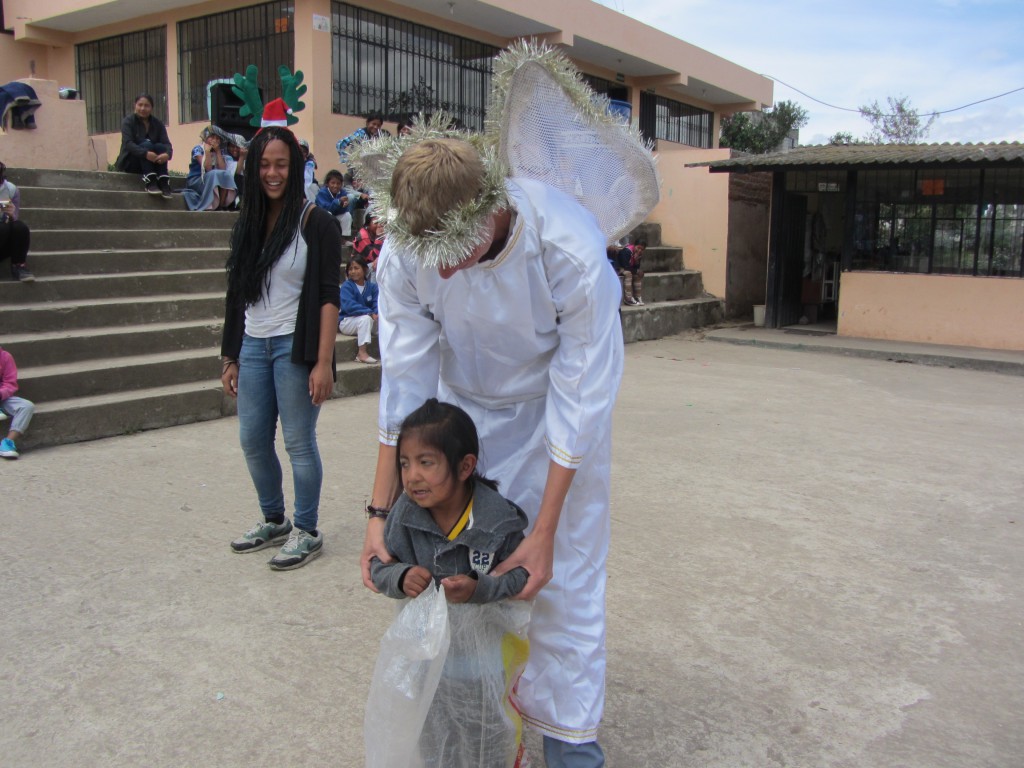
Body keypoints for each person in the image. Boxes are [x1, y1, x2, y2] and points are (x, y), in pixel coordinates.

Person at [358, 136, 624, 766]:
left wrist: (546, 529)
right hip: (459, 416)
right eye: (433, 257)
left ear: (490, 207)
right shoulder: (408, 247)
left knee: (560, 580)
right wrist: (378, 516)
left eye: (457, 252)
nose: (444, 271)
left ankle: (569, 745)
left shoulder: (567, 248)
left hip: (553, 418)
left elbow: (582, 392)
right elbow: (406, 384)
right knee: (453, 573)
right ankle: (472, 736)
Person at [369, 397, 530, 767]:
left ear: (464, 466)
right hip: (427, 665)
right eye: (405, 464)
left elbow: (522, 575)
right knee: (435, 737)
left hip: (484, 664)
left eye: (426, 462)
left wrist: (481, 588)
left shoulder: (497, 520)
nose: (412, 477)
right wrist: (401, 576)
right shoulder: (404, 517)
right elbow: (380, 567)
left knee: (487, 739)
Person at [220, 126, 342, 570]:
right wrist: (231, 354)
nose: (272, 173)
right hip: (252, 344)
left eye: (281, 164)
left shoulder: (317, 222)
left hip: (295, 346)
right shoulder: (247, 223)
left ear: (295, 168)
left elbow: (330, 295)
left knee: (298, 442)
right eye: (265, 164)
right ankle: (274, 519)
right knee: (253, 440)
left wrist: (324, 362)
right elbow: (237, 293)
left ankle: (306, 529)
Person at [115, 93, 173, 198]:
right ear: (135, 105)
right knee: (147, 144)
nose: (143, 108)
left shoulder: (157, 123)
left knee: (160, 147)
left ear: (151, 108)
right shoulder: (128, 121)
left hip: (152, 162)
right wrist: (145, 153)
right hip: (131, 162)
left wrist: (167, 155)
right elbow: (128, 144)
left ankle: (163, 182)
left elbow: (167, 143)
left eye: (147, 106)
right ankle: (150, 182)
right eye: (140, 105)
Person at [183, 126, 238, 212]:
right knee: (214, 174)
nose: (215, 140)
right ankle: (209, 205)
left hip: (212, 179)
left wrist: (218, 152)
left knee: (226, 174)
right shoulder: (198, 149)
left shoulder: (219, 151)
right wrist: (207, 152)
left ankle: (221, 205)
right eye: (212, 137)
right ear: (206, 137)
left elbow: (223, 169)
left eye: (217, 138)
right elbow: (207, 168)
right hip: (197, 180)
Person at [338, 256, 378, 364]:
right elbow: (349, 306)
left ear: (364, 269)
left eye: (356, 268)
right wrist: (369, 313)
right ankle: (362, 353)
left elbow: (377, 303)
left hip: (367, 319)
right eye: (350, 269)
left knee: (386, 322)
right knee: (365, 319)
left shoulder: (373, 287)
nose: (353, 271)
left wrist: (377, 313)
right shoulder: (346, 286)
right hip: (348, 321)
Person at [0, 161, 34, 282]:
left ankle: (19, 266)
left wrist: (12, 214)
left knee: (19, 227)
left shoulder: (10, 190)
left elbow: (11, 221)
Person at [0, 345, 35, 459]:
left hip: (3, 397)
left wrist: (1, 394)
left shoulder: (5, 357)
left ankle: (7, 442)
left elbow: (10, 384)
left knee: (27, 406)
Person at [314, 169, 350, 233]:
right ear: (327, 183)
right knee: (328, 214)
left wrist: (344, 206)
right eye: (333, 183)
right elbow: (326, 208)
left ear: (341, 184)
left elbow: (342, 211)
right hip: (322, 218)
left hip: (335, 215)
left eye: (338, 183)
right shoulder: (322, 193)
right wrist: (338, 202)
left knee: (347, 215)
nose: (335, 186)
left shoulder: (342, 193)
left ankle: (343, 237)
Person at [616, 238, 646, 305]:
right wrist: (637, 271)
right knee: (628, 274)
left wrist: (636, 261)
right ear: (634, 245)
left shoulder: (638, 255)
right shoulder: (627, 251)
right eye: (638, 248)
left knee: (637, 275)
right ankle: (628, 298)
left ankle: (637, 297)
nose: (640, 250)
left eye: (642, 249)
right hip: (619, 268)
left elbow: (636, 268)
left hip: (627, 268)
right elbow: (626, 266)